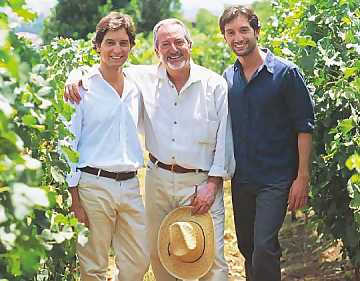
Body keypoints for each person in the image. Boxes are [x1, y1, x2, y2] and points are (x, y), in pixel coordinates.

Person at [65, 18, 235, 281]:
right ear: (156, 51)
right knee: (159, 253)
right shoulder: (136, 80)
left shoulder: (213, 85)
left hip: (199, 183)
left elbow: (225, 139)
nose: (173, 49)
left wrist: (213, 183)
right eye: (165, 44)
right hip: (156, 181)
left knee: (210, 259)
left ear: (190, 45)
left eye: (179, 42)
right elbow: (104, 67)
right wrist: (76, 73)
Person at [220, 6, 315, 281]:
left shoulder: (286, 74)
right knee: (247, 247)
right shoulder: (228, 78)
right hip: (243, 179)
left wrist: (302, 177)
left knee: (263, 246)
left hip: (276, 178)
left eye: (243, 30)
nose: (238, 37)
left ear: (257, 32)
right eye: (230, 32)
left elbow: (304, 127)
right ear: (225, 38)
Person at [65, 12, 149, 281]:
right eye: (110, 42)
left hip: (130, 185)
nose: (117, 49)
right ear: (98, 45)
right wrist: (74, 198)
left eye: (123, 43)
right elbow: (68, 143)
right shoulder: (82, 88)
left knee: (138, 261)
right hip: (93, 185)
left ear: (132, 47)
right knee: (93, 266)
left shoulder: (138, 84)